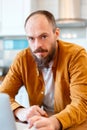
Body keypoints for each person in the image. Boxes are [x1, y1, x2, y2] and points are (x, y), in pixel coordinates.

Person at [0, 10, 87, 130]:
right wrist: (20, 111)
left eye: (44, 36)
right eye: (31, 38)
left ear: (56, 34)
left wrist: (55, 122)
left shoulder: (76, 55)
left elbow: (82, 103)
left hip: (75, 126)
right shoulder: (22, 59)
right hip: (43, 125)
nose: (37, 46)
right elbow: (3, 95)